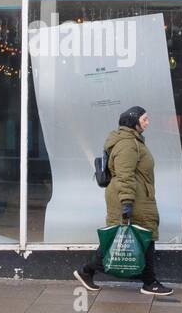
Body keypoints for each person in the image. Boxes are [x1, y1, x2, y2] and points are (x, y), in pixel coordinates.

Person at [73, 105, 173, 297]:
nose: (147, 122)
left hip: (138, 197)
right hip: (131, 198)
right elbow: (124, 175)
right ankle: (149, 282)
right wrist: (127, 202)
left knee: (129, 238)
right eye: (144, 119)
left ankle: (87, 272)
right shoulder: (128, 144)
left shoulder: (133, 141)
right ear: (133, 122)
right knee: (143, 237)